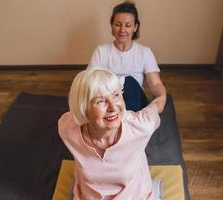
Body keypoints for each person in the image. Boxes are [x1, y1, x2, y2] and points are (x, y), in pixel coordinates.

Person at [58, 68, 162, 199]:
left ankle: (127, 86)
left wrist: (160, 98)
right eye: (100, 101)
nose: (113, 107)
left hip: (135, 196)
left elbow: (155, 107)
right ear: (83, 108)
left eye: (116, 95)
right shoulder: (67, 128)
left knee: (131, 86)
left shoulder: (140, 126)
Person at [88, 1, 166, 113]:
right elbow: (90, 81)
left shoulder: (144, 52)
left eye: (128, 25)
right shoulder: (101, 51)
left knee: (128, 81)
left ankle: (127, 120)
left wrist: (162, 97)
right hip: (109, 99)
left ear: (135, 27)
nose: (122, 30)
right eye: (118, 24)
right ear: (112, 25)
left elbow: (155, 83)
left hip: (135, 101)